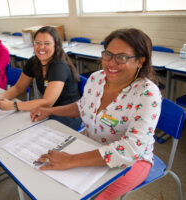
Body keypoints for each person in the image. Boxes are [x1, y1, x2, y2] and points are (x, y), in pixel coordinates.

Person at [31, 28, 162, 200]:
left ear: (140, 61)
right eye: (108, 54)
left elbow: (132, 149)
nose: (111, 63)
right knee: (49, 179)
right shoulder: (96, 78)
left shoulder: (147, 94)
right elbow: (82, 106)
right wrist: (49, 111)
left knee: (93, 196)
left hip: (132, 160)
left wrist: (71, 160)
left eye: (122, 57)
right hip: (91, 145)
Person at [0, 26, 82, 130]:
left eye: (47, 43)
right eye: (38, 43)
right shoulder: (34, 62)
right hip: (46, 111)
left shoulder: (59, 66)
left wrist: (13, 105)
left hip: (67, 114)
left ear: (56, 45)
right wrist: (0, 96)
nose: (41, 47)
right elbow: (18, 88)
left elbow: (47, 101)